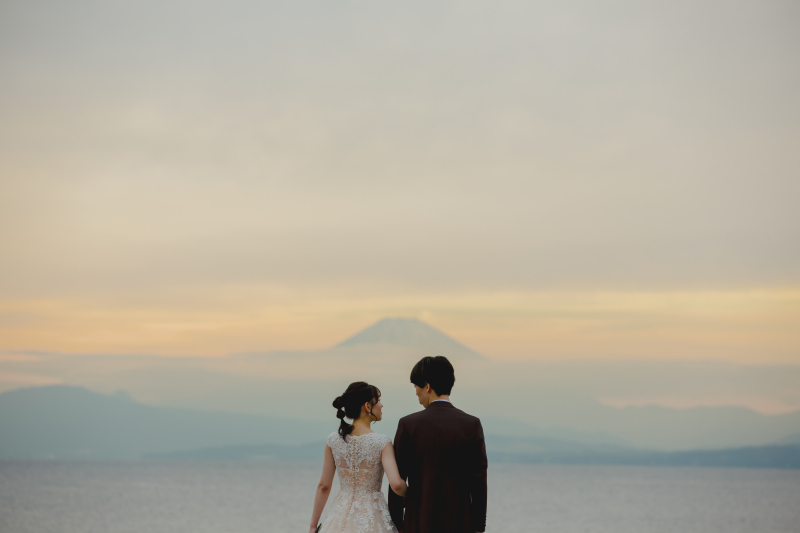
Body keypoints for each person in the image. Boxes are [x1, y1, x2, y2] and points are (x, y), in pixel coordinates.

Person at [388, 356, 488, 533]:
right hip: (461, 524)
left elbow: (398, 479)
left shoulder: (408, 425)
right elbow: (479, 482)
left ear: (427, 386)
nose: (416, 393)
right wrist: (478, 527)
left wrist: (398, 525)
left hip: (417, 523)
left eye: (416, 387)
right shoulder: (471, 425)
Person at [308, 381, 408, 533]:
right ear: (367, 406)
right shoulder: (382, 442)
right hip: (373, 517)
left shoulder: (333, 440)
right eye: (379, 400)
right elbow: (396, 484)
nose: (381, 405)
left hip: (339, 515)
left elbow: (324, 487)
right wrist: (416, 494)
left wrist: (313, 525)